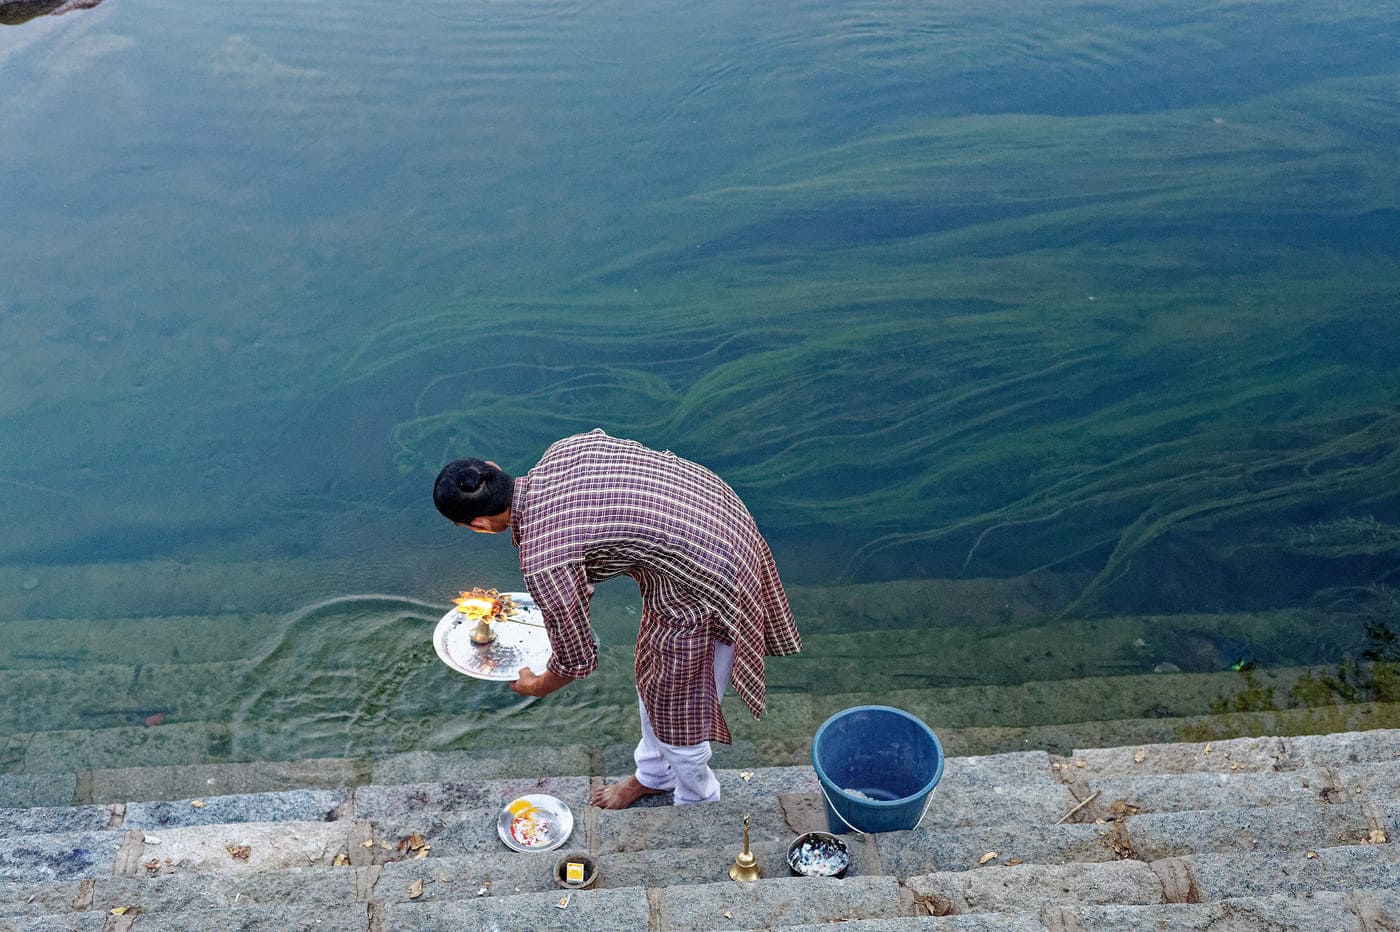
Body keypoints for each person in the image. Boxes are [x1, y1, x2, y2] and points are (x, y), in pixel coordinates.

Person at [433, 428, 801, 809]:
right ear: (494, 468)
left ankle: (699, 803)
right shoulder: (568, 448)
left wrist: (537, 686)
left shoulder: (545, 559)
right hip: (718, 514)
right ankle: (654, 776)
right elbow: (610, 517)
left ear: (477, 524)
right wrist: (573, 588)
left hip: (708, 583)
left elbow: (576, 660)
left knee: (680, 714)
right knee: (655, 682)